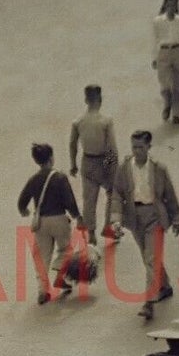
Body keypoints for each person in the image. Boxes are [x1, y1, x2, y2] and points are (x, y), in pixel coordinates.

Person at [109, 130, 179, 318]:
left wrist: (176, 218)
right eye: (134, 147)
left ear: (149, 147)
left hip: (155, 216)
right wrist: (116, 218)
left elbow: (169, 194)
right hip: (134, 217)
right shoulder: (124, 168)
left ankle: (149, 302)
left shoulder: (159, 169)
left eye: (141, 147)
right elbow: (117, 193)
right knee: (148, 256)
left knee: (151, 258)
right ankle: (164, 286)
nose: (137, 151)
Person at [17, 142, 84, 305]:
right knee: (65, 248)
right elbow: (69, 200)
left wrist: (23, 210)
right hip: (59, 219)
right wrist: (78, 216)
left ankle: (43, 291)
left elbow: (22, 200)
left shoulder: (33, 179)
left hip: (42, 223)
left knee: (41, 257)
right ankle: (61, 272)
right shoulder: (59, 177)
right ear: (51, 158)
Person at [68, 85, 119, 244]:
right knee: (113, 194)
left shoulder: (78, 121)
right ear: (100, 99)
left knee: (89, 199)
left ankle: (91, 233)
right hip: (104, 160)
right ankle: (108, 227)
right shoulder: (106, 121)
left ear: (85, 100)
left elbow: (72, 144)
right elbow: (112, 147)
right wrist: (112, 168)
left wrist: (73, 164)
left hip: (87, 160)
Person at [151, 0, 179, 124]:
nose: (171, 8)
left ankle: (177, 113)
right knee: (165, 82)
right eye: (169, 6)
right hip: (164, 51)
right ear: (165, 6)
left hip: (178, 50)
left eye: (173, 6)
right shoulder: (158, 21)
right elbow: (154, 40)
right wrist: (154, 57)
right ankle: (167, 103)